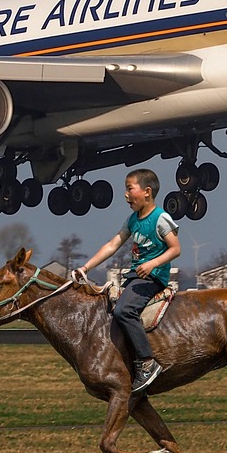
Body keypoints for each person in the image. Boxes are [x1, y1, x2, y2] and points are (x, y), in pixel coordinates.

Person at [73, 168, 181, 394]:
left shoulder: (160, 218)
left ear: (147, 192)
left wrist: (152, 264)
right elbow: (113, 245)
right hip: (135, 277)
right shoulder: (133, 220)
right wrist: (86, 267)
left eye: (130, 189)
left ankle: (147, 362)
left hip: (153, 278)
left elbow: (175, 249)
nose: (125, 195)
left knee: (124, 311)